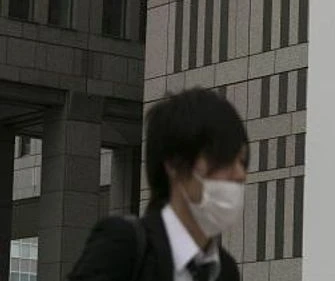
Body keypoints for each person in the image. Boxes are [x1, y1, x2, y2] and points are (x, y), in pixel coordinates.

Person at [68, 88, 249, 281]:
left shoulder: (225, 270)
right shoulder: (123, 245)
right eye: (223, 158)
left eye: (242, 161)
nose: (240, 174)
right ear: (174, 164)